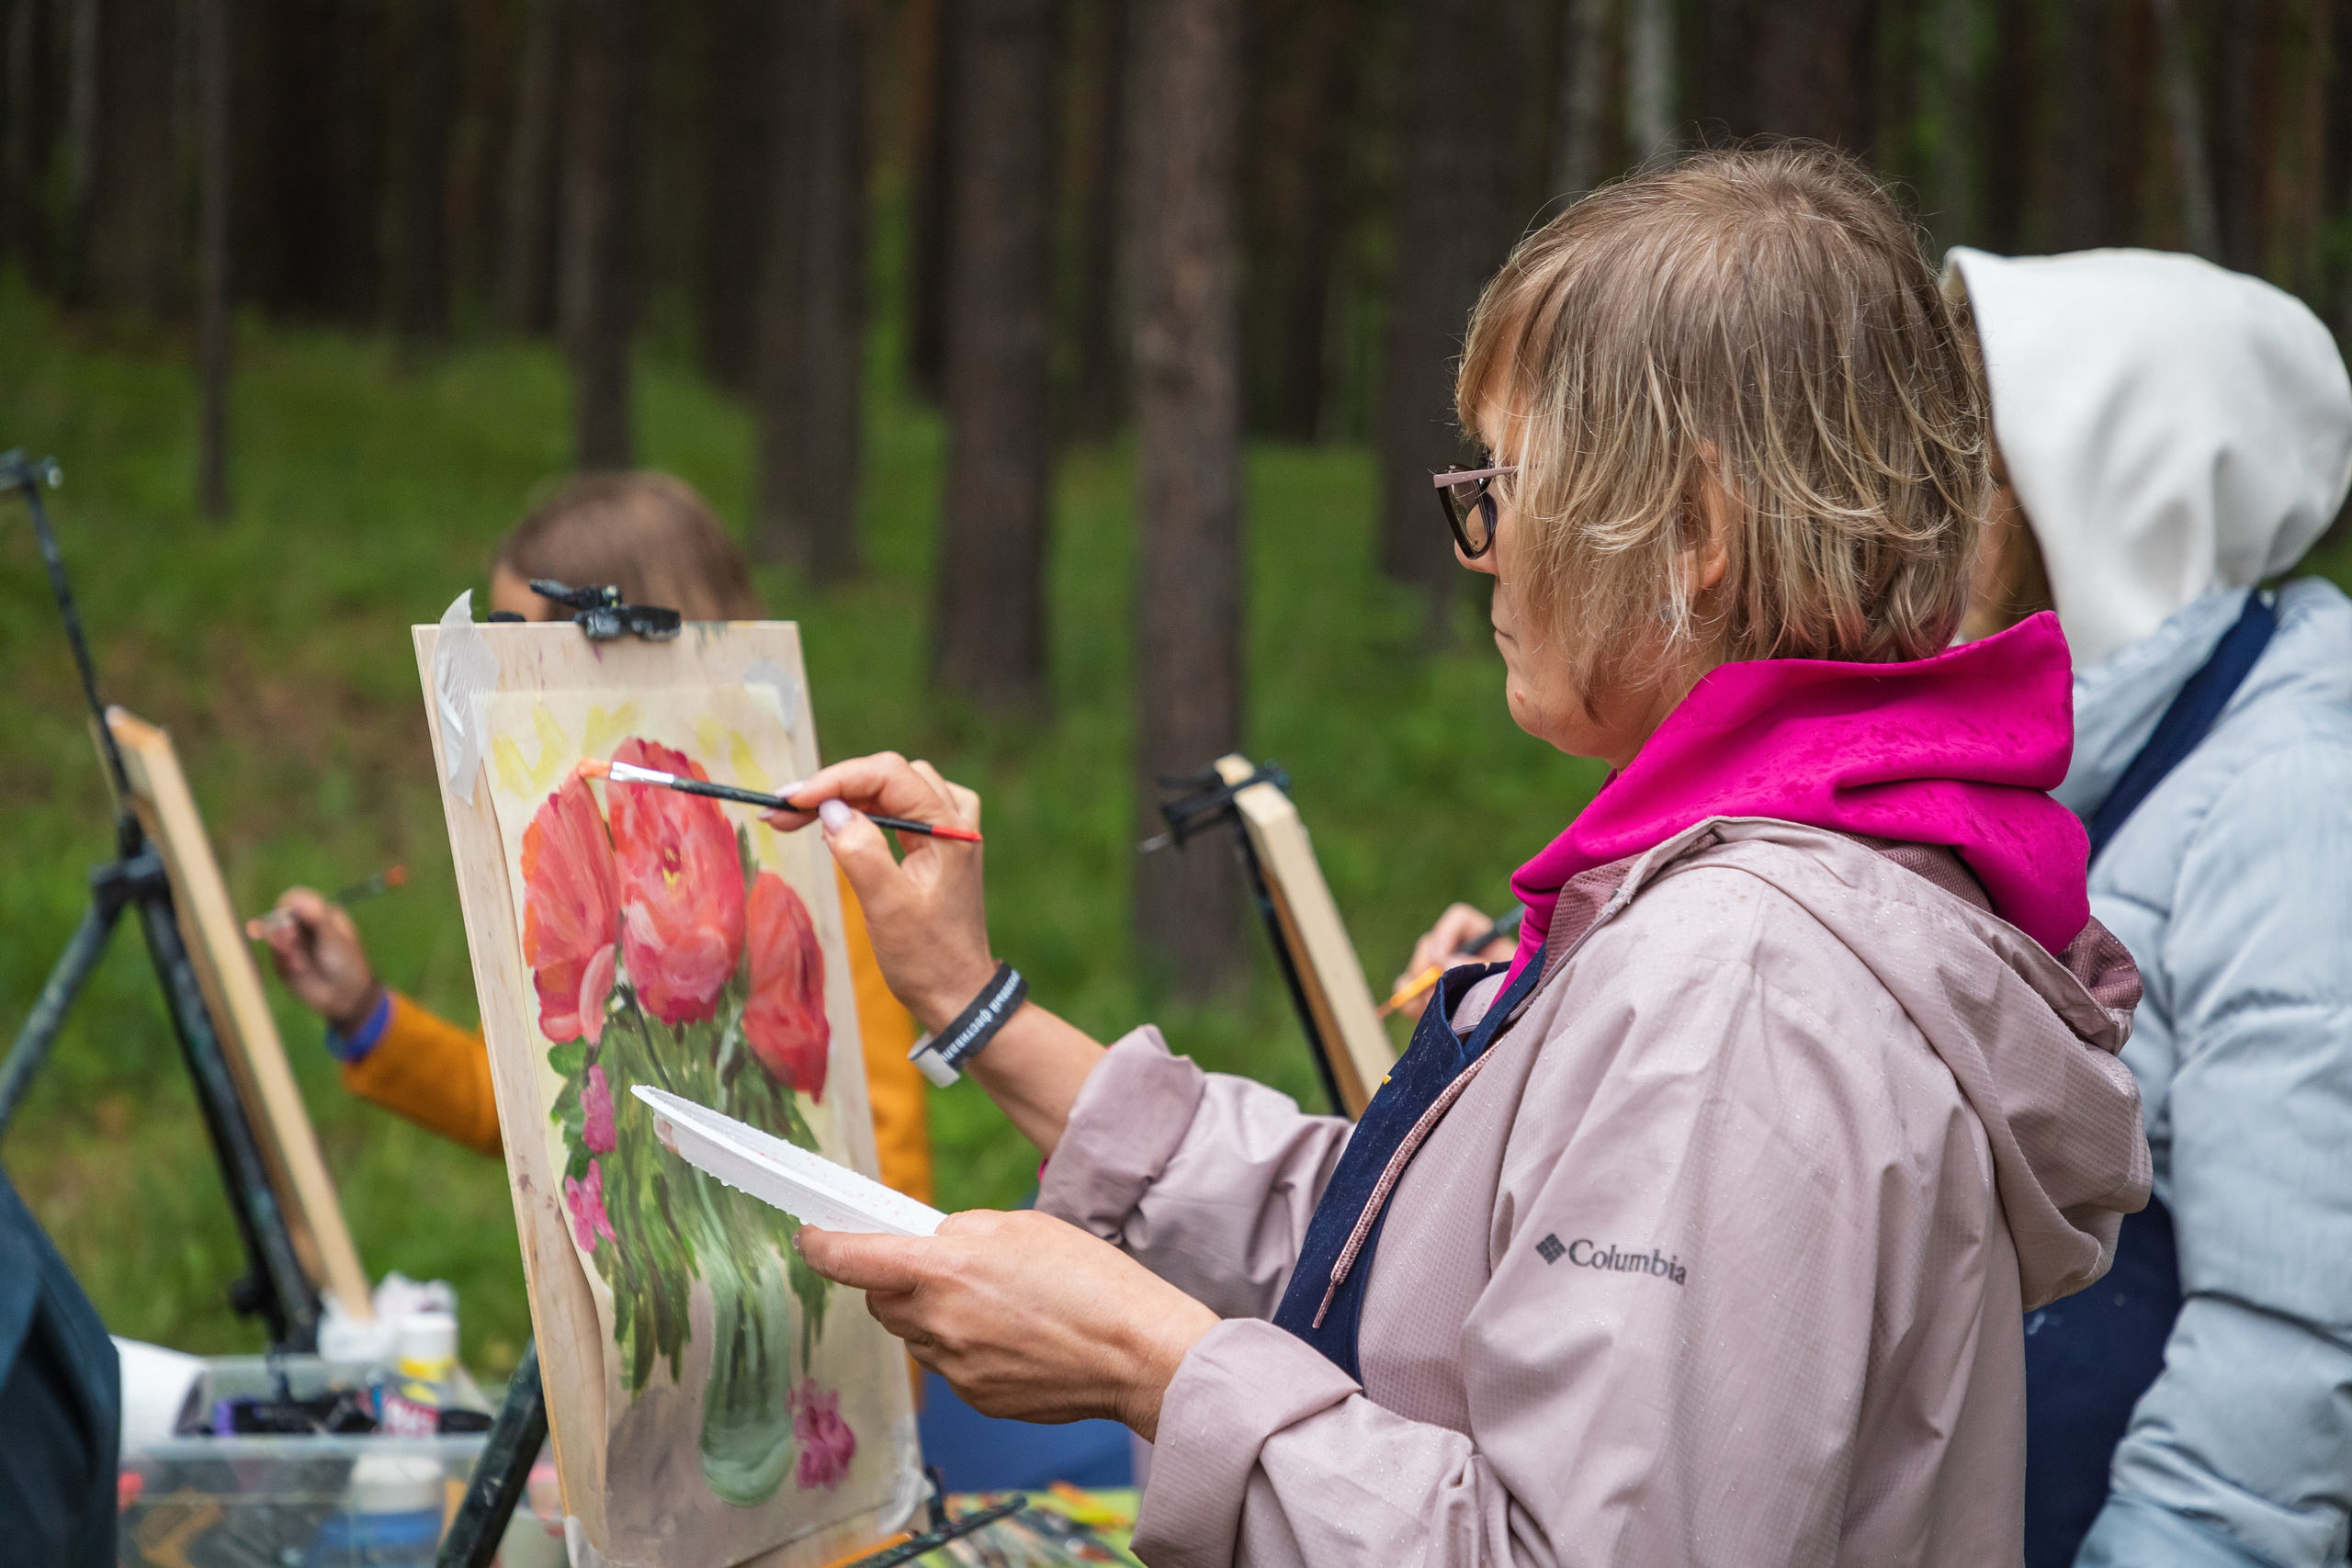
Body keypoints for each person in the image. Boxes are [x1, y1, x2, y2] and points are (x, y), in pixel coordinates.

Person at [775, 146, 2154, 1564]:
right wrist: (975, 1005)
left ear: (1695, 531)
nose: (1480, 545)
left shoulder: (1740, 987)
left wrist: (1156, 1368)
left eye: (1504, 482)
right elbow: (1428, 1260)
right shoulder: (1787, 884)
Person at [1943, 246, 2352, 1568]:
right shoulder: (2073, 756)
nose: (1914, 510)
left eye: (1967, 466)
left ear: (2099, 487)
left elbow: (2294, 1329)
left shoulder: (2294, 796)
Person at [249, 471, 933, 1201]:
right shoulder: (577, 859)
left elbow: (885, 1160)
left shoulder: (814, 857)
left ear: (627, 649)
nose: (499, 674)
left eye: (520, 639)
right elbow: (516, 1100)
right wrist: (365, 1013)